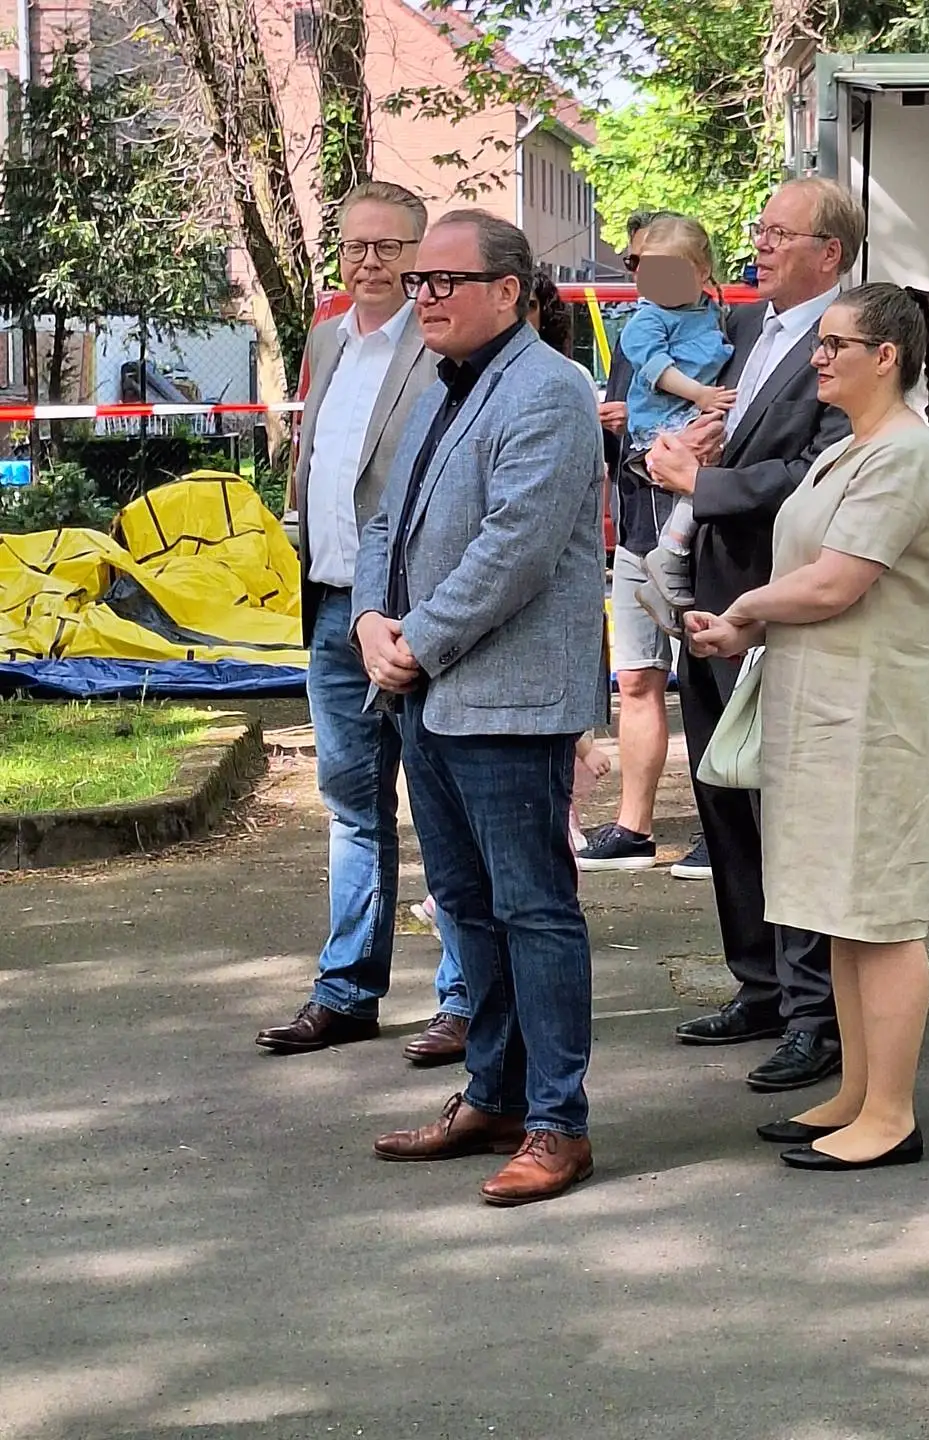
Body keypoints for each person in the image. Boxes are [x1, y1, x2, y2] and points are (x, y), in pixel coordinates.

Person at [355, 211, 605, 1207]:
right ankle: (494, 1096)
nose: (424, 296)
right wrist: (372, 618)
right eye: (419, 281)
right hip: (432, 694)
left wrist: (416, 640)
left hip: (506, 701)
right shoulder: (440, 386)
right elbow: (387, 518)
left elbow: (517, 550)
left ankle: (559, 1124)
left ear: (510, 291)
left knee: (534, 912)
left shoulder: (548, 390)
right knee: (467, 909)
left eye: (445, 281)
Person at [687, 283, 929, 1170]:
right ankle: (856, 1094)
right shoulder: (849, 451)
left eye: (838, 344)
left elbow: (838, 582)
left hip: (876, 717)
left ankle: (892, 1115)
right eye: (821, 343)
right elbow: (807, 573)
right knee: (840, 914)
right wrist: (745, 623)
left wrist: (747, 607)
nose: (818, 357)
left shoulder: (906, 454)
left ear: (889, 356)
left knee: (879, 917)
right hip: (824, 709)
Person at [645, 177, 867, 1093]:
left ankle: (817, 1014)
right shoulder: (746, 331)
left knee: (788, 812)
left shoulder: (852, 338)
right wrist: (677, 457)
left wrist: (705, 486)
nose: (760, 245)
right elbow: (726, 444)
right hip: (708, 596)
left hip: (776, 603)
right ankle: (761, 984)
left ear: (831, 252)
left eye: (780, 233)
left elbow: (820, 469)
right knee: (724, 800)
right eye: (759, 229)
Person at [255, 181, 472, 1069]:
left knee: (445, 809)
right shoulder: (327, 337)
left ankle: (463, 999)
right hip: (335, 609)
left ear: (421, 260)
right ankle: (347, 992)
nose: (371, 263)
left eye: (390, 249)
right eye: (356, 246)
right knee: (351, 809)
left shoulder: (445, 345)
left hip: (416, 612)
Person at [580, 210, 710, 881]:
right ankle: (633, 827)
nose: (635, 276)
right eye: (632, 265)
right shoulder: (636, 334)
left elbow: (725, 420)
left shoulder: (723, 335)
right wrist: (613, 423)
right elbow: (623, 433)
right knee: (636, 677)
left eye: (647, 265)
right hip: (635, 530)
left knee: (710, 681)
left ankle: (724, 830)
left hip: (698, 536)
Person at [617, 215, 736, 630]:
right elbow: (655, 367)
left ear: (702, 272)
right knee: (697, 478)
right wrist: (701, 395)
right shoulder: (648, 318)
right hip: (663, 423)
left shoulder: (708, 312)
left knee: (709, 479)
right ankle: (668, 554)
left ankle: (670, 563)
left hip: (694, 413)